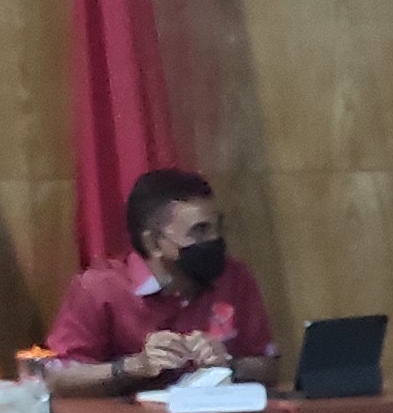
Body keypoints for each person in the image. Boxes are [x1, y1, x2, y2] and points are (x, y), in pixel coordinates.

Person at [46, 167, 274, 396]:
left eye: (218, 228)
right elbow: (57, 377)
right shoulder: (98, 288)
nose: (214, 240)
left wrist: (230, 365)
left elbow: (268, 366)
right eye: (200, 231)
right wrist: (132, 367)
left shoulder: (234, 277)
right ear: (154, 243)